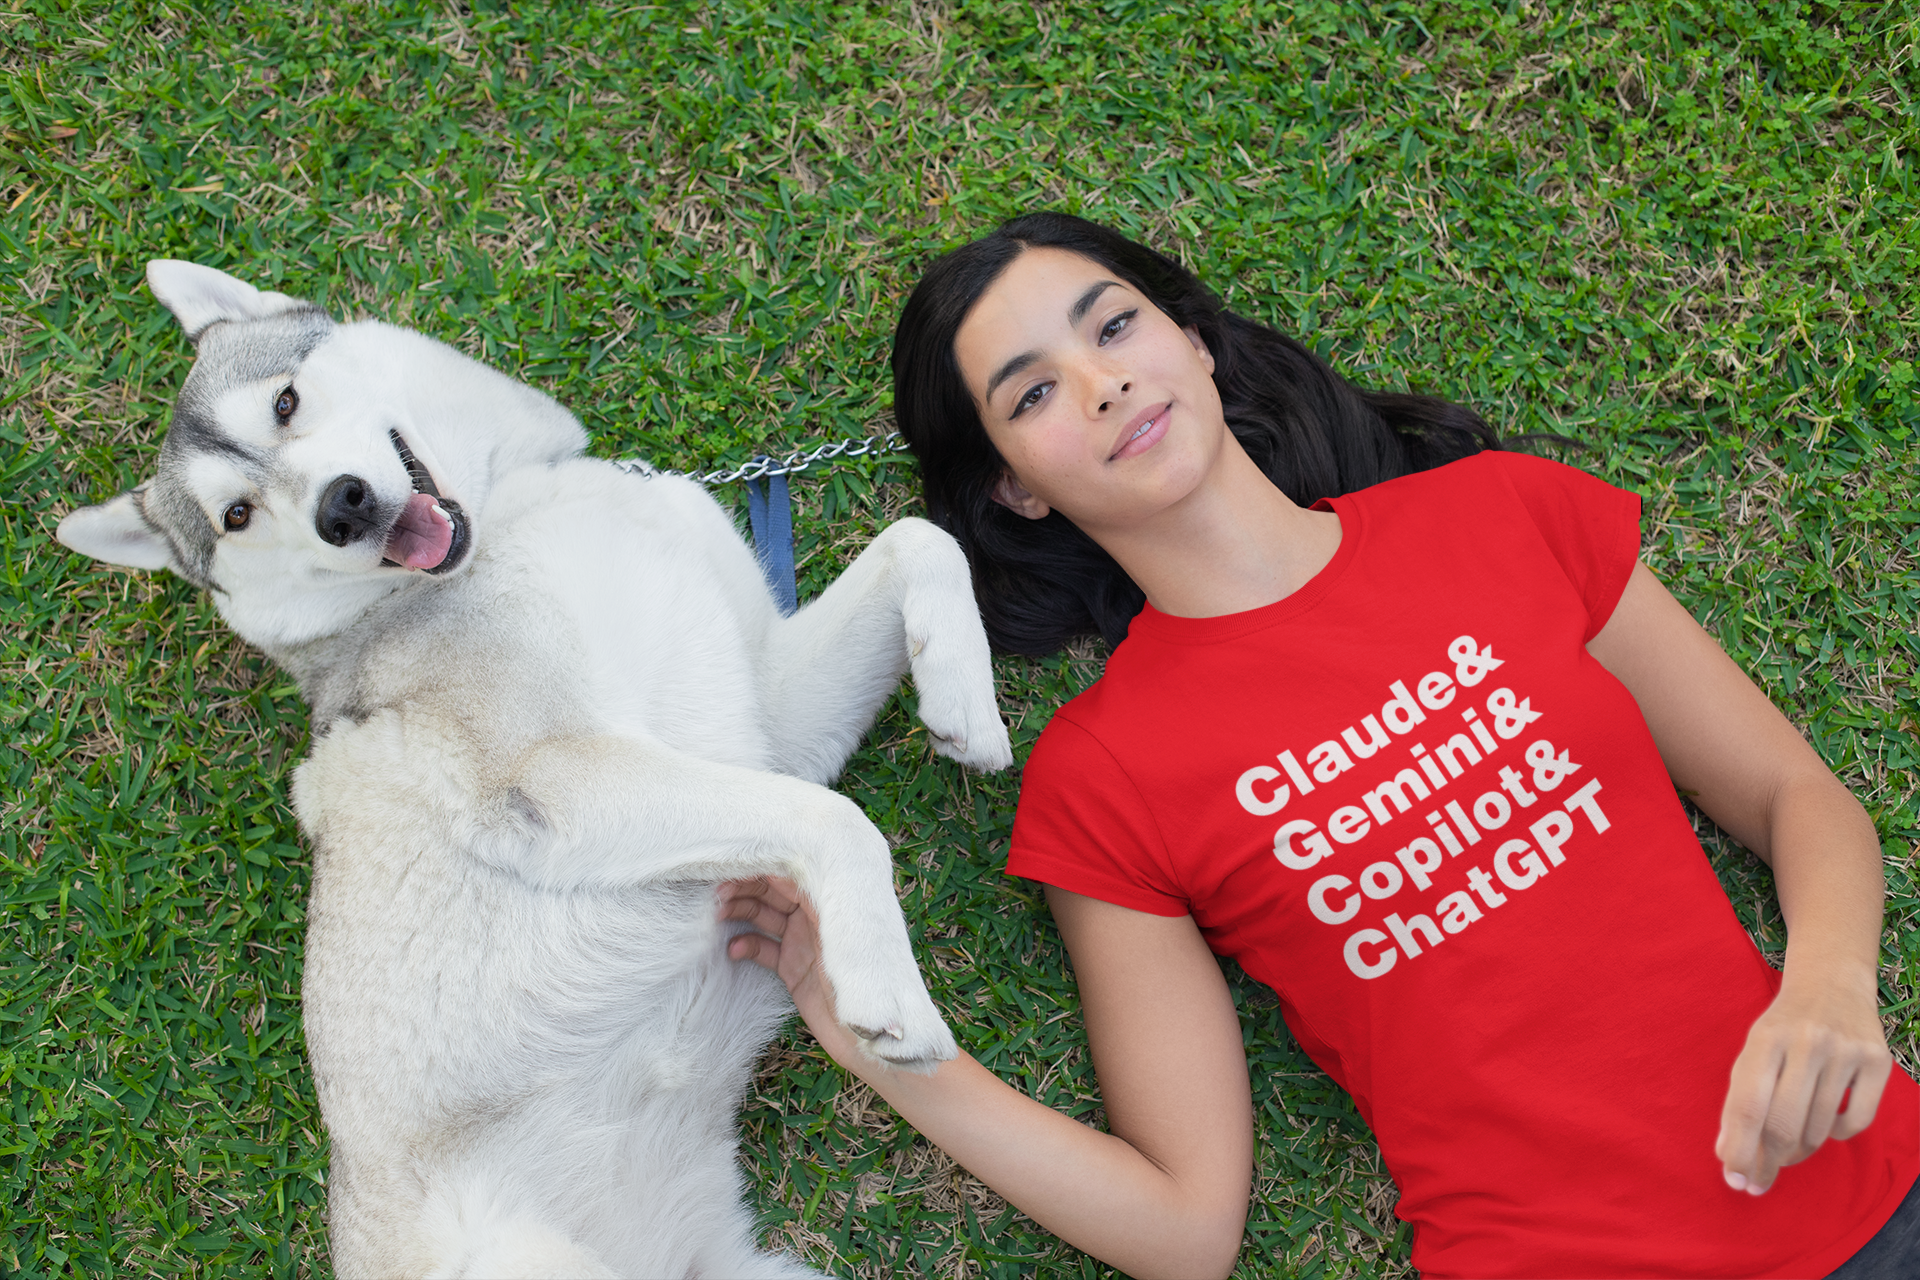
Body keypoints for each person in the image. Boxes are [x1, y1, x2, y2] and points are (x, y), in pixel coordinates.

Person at [718, 212, 1920, 1278]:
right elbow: (1188, 1228)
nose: (1099, 385)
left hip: (1882, 1178)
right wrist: (867, 1028)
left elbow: (1788, 790)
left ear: (1194, 340)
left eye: (1116, 327)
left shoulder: (1502, 510)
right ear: (1016, 490)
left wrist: (1827, 984)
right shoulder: (1102, 776)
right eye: (1031, 395)